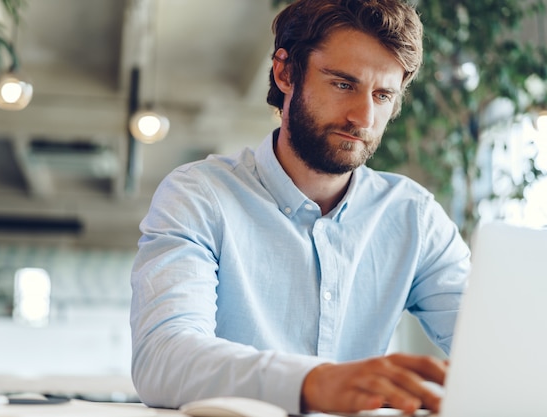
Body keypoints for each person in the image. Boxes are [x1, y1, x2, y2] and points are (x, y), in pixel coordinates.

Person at [130, 0, 471, 415]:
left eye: (383, 95)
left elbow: (494, 350)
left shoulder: (414, 217)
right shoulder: (199, 196)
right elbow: (163, 358)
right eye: (343, 84)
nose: (363, 118)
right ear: (285, 72)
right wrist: (312, 383)